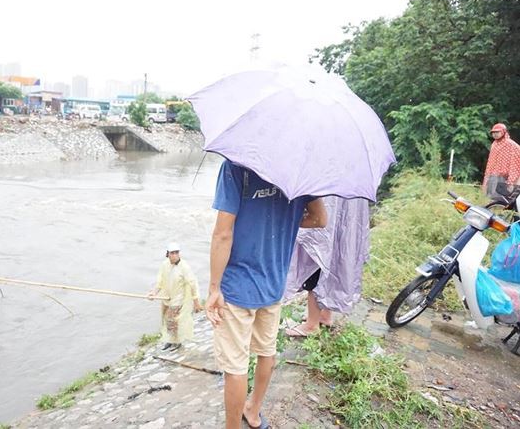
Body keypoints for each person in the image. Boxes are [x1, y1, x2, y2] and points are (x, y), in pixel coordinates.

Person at [205, 159, 327, 429]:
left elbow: (223, 233)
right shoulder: (301, 169)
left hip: (237, 286)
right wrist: (289, 218)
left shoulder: (236, 166)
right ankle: (254, 412)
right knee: (266, 352)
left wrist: (214, 288)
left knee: (236, 368)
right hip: (273, 283)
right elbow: (320, 219)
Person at [283, 196, 370, 337]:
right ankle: (325, 315)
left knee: (316, 260)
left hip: (327, 215)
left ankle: (312, 324)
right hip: (348, 214)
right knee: (334, 257)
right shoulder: (356, 176)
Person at [149, 243, 202, 351]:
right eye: (172, 253)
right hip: (166, 297)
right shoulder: (164, 265)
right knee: (165, 319)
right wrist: (154, 293)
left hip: (178, 298)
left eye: (176, 253)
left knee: (172, 319)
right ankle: (170, 340)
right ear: (167, 254)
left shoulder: (184, 267)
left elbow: (192, 284)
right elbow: (160, 281)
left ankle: (177, 342)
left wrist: (196, 302)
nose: (175, 255)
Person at [483, 123, 520, 199]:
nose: (495, 134)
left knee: (502, 200)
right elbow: (490, 162)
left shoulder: (511, 145)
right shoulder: (494, 144)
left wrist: (511, 181)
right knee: (490, 199)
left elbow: (516, 163)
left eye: (497, 132)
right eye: (493, 132)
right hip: (493, 176)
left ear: (503, 132)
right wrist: (487, 177)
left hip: (505, 178)